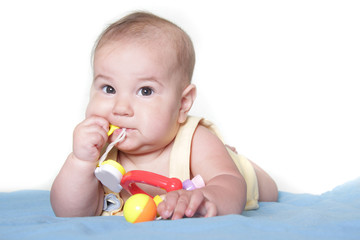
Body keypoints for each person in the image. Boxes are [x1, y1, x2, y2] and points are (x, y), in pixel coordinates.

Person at [50, 11, 278, 220]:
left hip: (235, 173)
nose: (120, 108)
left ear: (182, 103)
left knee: (265, 189)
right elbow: (70, 213)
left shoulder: (194, 140)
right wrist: (80, 162)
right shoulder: (99, 152)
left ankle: (232, 158)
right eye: (109, 89)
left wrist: (207, 197)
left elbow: (230, 187)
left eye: (145, 91)